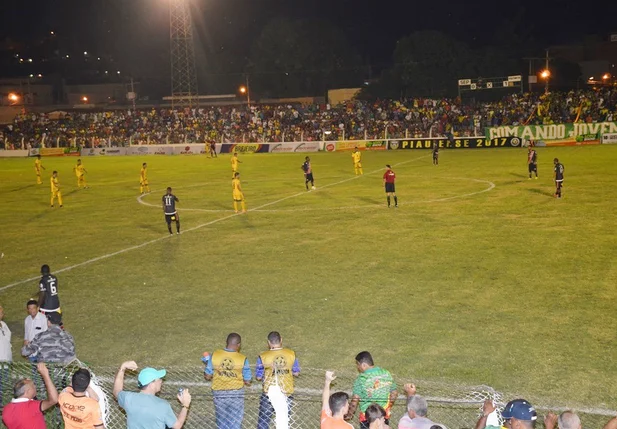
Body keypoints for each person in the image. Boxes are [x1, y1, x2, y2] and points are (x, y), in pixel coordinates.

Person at [113, 360, 191, 429]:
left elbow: (116, 392)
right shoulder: (163, 405)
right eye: (159, 379)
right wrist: (185, 405)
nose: (161, 381)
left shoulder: (128, 398)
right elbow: (177, 426)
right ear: (151, 384)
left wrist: (122, 368)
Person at [204, 333, 251, 429]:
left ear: (226, 342)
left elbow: (208, 376)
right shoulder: (243, 359)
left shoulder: (215, 355)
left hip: (219, 393)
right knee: (235, 420)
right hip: (236, 393)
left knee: (221, 419)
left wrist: (209, 363)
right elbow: (248, 381)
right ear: (239, 345)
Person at [256, 331, 301, 429]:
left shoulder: (263, 356)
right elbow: (296, 372)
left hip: (268, 391)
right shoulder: (291, 354)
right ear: (281, 340)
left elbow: (258, 377)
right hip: (286, 390)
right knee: (284, 418)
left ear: (268, 342)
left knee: (264, 419)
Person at [347, 351, 397, 429]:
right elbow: (394, 393)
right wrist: (388, 406)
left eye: (358, 364)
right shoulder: (386, 373)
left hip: (367, 418)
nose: (357, 367)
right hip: (383, 416)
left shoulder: (361, 379)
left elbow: (354, 401)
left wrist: (349, 415)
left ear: (363, 365)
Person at [1, 363, 59, 429]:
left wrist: (28, 382)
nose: (35, 387)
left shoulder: (6, 409)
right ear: (28, 391)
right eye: (33, 385)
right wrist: (45, 375)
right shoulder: (32, 406)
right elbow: (54, 400)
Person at [0, 305, 12, 408]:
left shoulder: (3, 324)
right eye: (0, 310)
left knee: (4, 385)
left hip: (7, 361)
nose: (2, 312)